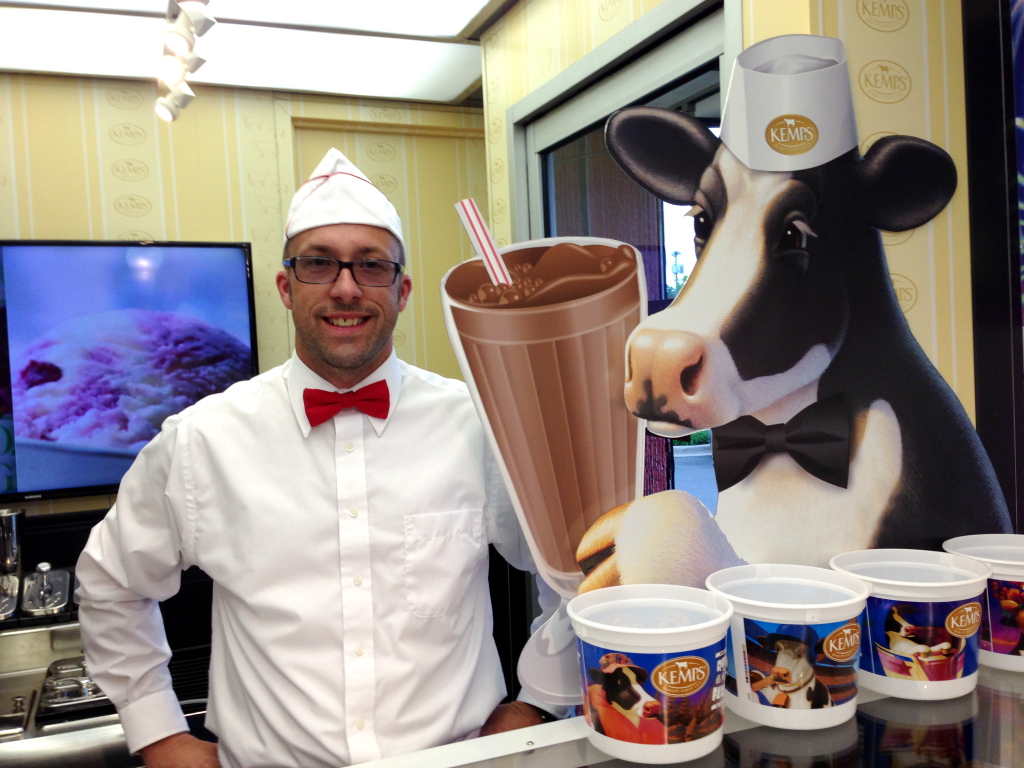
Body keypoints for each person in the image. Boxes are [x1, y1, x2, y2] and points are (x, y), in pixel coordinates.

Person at [75, 148, 555, 768]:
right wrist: (160, 734)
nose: (346, 287)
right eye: (320, 264)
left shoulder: (480, 424)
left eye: (371, 266)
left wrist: (539, 698)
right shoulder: (202, 440)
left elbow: (575, 569)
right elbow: (110, 582)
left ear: (402, 290)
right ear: (285, 286)